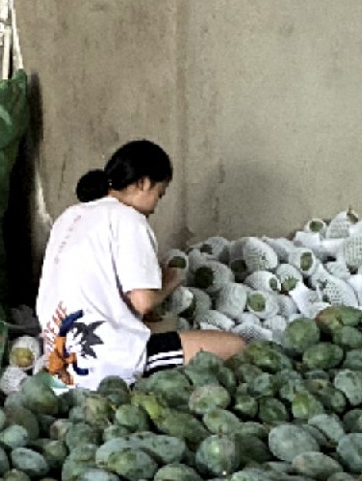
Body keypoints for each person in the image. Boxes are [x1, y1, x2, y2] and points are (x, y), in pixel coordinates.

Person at [37, 141, 246, 388]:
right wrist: (171, 280)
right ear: (143, 183)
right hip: (106, 363)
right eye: (160, 193)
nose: (156, 206)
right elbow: (143, 302)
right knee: (235, 346)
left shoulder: (70, 215)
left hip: (60, 359)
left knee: (162, 328)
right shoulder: (129, 219)